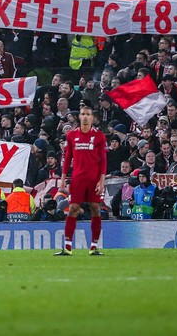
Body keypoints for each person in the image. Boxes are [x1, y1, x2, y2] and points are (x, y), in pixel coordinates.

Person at [55, 105, 107, 256]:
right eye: (83, 114)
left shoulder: (99, 136)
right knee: (72, 209)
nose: (85, 117)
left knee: (95, 208)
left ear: (92, 117)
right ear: (79, 117)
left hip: (94, 179)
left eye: (88, 114)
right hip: (78, 179)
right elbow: (67, 158)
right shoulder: (71, 135)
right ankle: (68, 247)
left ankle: (94, 246)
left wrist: (102, 180)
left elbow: (103, 160)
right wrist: (63, 179)